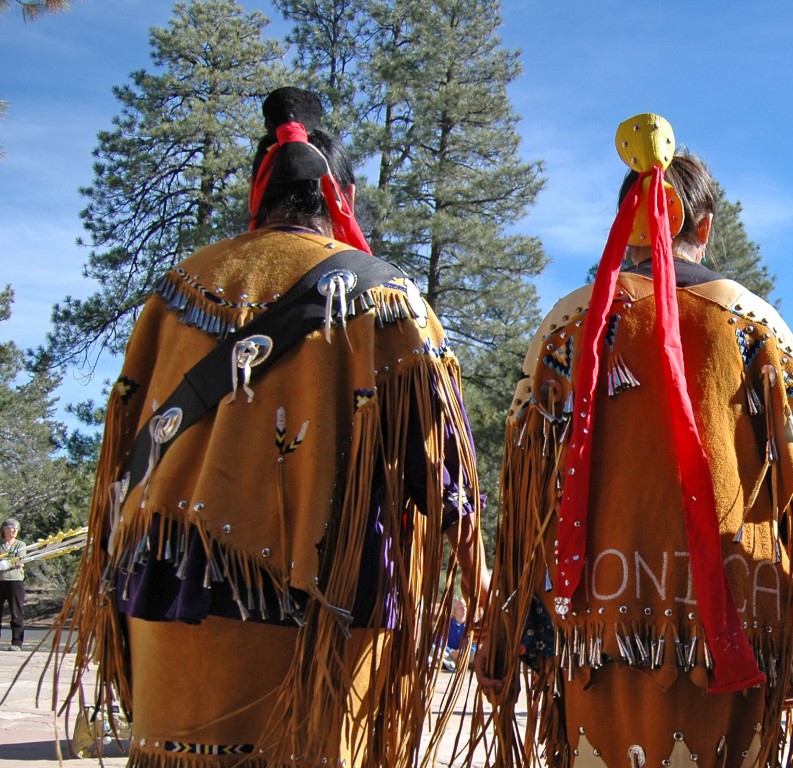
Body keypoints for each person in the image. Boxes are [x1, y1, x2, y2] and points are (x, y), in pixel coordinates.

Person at [58, 87, 483, 768]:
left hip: (167, 597)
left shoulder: (176, 289)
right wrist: (482, 587)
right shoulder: (387, 296)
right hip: (318, 616)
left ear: (262, 191)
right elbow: (445, 477)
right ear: (340, 193)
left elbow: (121, 448)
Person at [476, 114, 793, 767]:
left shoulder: (570, 323)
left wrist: (505, 632)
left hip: (596, 630)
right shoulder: (757, 324)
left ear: (625, 220)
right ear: (705, 227)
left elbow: (526, 497)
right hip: (730, 630)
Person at [0, 517, 25, 651]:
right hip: (0, 581)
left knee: (16, 612)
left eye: (16, 528)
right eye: (12, 527)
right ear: (4, 530)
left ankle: (16, 642)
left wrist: (7, 563)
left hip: (15, 581)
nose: (15, 530)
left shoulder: (20, 545)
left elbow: (20, 561)